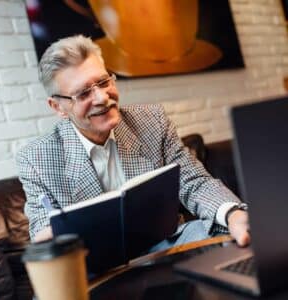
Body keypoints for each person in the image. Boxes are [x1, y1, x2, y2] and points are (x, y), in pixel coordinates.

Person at [16, 35, 250, 250]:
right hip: (92, 262)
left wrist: (233, 214)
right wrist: (51, 236)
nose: (102, 98)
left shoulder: (151, 121)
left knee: (224, 233)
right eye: (84, 93)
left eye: (103, 82)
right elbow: (41, 227)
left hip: (164, 245)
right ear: (58, 107)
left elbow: (194, 182)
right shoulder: (36, 159)